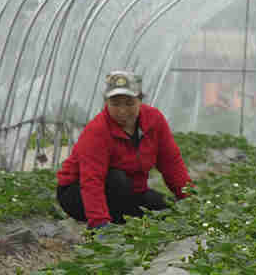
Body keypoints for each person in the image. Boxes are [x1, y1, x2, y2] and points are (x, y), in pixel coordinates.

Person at [55, 71, 194, 229]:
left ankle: (122, 217)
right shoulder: (98, 130)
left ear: (140, 100)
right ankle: (112, 221)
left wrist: (189, 200)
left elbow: (171, 163)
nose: (122, 110)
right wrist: (99, 223)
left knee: (166, 211)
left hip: (131, 191)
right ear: (106, 102)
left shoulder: (154, 121)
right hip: (77, 194)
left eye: (129, 103)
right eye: (115, 104)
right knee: (117, 179)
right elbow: (91, 180)